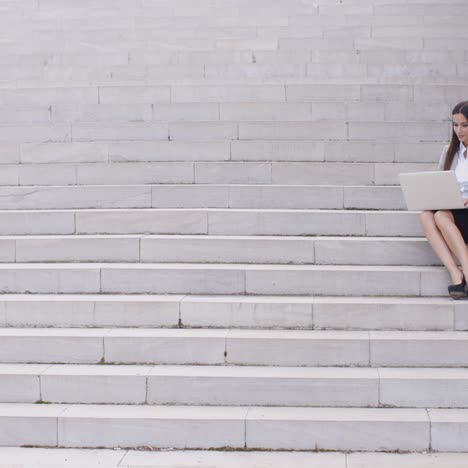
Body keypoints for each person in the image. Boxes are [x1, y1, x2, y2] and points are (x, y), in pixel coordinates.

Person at [420, 101, 468, 299]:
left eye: (464, 125)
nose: (459, 130)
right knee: (426, 215)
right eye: (455, 125)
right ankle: (456, 274)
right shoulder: (450, 152)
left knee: (440, 216)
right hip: (454, 209)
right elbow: (438, 182)